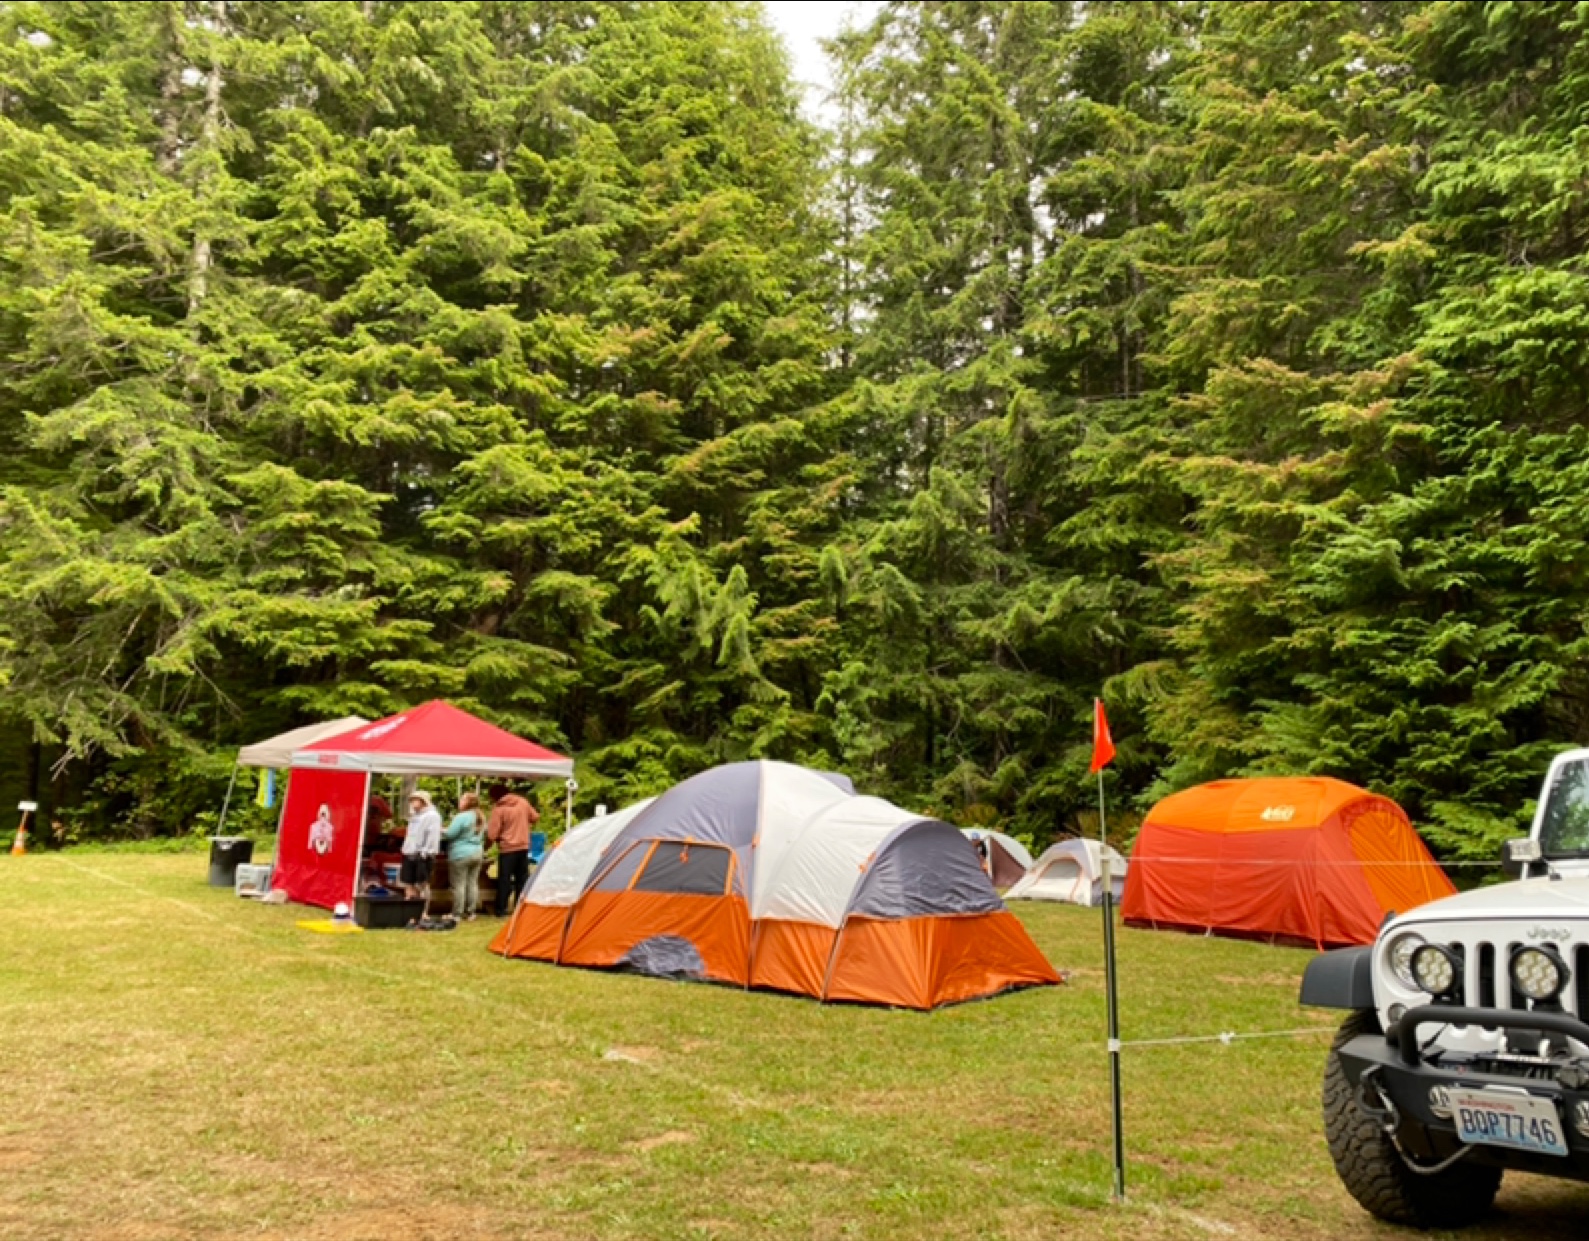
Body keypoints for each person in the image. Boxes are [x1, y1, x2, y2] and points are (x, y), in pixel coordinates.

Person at [487, 783, 539, 916]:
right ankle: (519, 908)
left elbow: (492, 834)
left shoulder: (499, 809)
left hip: (507, 849)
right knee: (522, 879)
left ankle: (501, 909)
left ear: (495, 796)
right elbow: (535, 817)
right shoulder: (523, 802)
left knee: (504, 879)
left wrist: (486, 846)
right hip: (523, 846)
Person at [442, 792, 487, 921]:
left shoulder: (461, 817)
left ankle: (457, 913)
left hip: (460, 853)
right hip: (477, 852)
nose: (459, 801)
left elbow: (451, 834)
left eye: (462, 800)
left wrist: (441, 830)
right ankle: (471, 912)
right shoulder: (481, 816)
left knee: (459, 884)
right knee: (473, 883)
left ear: (468, 803)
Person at [400, 790, 443, 902]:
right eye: (412, 800)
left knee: (423, 884)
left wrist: (426, 852)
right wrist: (405, 849)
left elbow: (433, 835)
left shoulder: (432, 816)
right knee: (408, 882)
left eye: (415, 800)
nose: (412, 803)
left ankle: (423, 911)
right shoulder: (414, 816)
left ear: (423, 801)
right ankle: (409, 908)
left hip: (423, 855)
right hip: (409, 853)